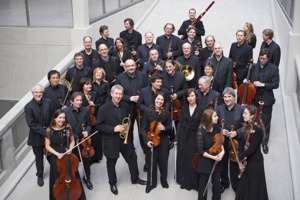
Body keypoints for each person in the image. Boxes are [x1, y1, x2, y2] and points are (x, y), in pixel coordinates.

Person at [96, 85, 147, 195]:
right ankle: (112, 183)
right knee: (111, 163)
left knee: (132, 157)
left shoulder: (125, 106)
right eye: (116, 94)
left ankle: (135, 178)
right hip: (111, 140)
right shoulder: (103, 109)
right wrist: (113, 129)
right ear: (111, 94)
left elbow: (128, 120)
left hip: (125, 138)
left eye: (120, 94)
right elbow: (99, 126)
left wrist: (126, 128)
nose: (118, 96)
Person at [45, 109, 86, 200]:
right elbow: (47, 146)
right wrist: (57, 154)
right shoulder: (49, 130)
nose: (62, 120)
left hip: (68, 154)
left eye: (63, 118)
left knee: (72, 174)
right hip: (56, 157)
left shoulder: (68, 127)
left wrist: (71, 148)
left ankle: (75, 195)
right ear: (55, 118)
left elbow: (72, 141)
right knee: (57, 178)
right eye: (60, 118)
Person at [247, 48, 279, 154]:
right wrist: (247, 81)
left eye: (264, 59)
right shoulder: (254, 66)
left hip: (266, 98)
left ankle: (264, 142)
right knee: (252, 119)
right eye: (260, 58)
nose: (261, 60)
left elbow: (276, 84)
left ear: (268, 58)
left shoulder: (274, 69)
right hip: (254, 97)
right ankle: (251, 139)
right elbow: (250, 79)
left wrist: (263, 84)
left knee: (265, 121)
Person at [140, 92, 172, 193]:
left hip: (163, 140)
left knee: (163, 162)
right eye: (158, 99)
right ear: (154, 99)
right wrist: (146, 141)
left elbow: (170, 128)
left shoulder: (166, 112)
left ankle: (164, 181)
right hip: (151, 140)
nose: (159, 101)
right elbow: (143, 129)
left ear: (164, 102)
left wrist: (164, 128)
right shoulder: (147, 111)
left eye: (162, 100)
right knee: (151, 162)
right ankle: (151, 183)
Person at [115, 59, 149, 155]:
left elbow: (148, 89)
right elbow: (117, 93)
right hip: (127, 108)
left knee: (142, 130)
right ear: (125, 67)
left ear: (135, 66)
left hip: (141, 108)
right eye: (128, 66)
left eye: (132, 65)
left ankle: (146, 153)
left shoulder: (142, 75)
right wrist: (130, 98)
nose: (130, 67)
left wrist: (141, 97)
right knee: (128, 131)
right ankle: (130, 151)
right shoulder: (120, 78)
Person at [235, 105, 269, 200]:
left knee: (253, 187)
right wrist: (239, 160)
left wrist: (239, 157)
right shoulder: (246, 126)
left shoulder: (258, 130)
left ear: (252, 116)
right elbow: (242, 143)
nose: (243, 115)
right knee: (244, 186)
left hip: (255, 163)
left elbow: (251, 149)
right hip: (246, 160)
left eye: (245, 113)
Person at [216, 87, 245, 193]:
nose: (227, 99)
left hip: (236, 142)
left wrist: (236, 132)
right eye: (225, 97)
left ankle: (236, 185)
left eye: (229, 96)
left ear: (234, 97)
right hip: (223, 141)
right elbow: (214, 124)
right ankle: (224, 183)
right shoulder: (219, 109)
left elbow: (247, 126)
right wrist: (220, 130)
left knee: (234, 164)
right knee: (222, 163)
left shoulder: (241, 109)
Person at [174, 88, 204, 190]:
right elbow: (181, 123)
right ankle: (183, 179)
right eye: (188, 96)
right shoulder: (184, 108)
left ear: (196, 96)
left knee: (192, 157)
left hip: (195, 136)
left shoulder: (201, 109)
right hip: (183, 135)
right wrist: (176, 137)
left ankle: (193, 182)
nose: (190, 98)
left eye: (192, 96)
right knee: (183, 156)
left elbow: (202, 125)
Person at [24, 84, 53, 187]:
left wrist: (50, 129)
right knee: (39, 157)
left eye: (40, 92)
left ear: (42, 93)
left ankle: (56, 170)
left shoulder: (48, 102)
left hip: (49, 132)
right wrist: (45, 132)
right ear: (33, 93)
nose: (38, 94)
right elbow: (31, 124)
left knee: (52, 153)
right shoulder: (28, 107)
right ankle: (40, 175)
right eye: (36, 92)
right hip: (36, 136)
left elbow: (53, 116)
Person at [64, 92, 94, 190]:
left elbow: (89, 124)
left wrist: (87, 132)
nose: (79, 102)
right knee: (73, 161)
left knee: (85, 160)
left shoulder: (85, 110)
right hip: (71, 141)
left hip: (83, 140)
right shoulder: (65, 112)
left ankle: (87, 178)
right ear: (72, 101)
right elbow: (63, 125)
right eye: (77, 100)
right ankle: (75, 179)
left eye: (80, 100)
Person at [196, 109, 225, 200]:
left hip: (217, 159)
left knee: (217, 185)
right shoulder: (200, 132)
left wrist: (223, 152)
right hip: (205, 161)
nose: (217, 118)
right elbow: (200, 151)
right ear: (209, 118)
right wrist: (213, 157)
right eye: (215, 116)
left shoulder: (216, 128)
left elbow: (220, 142)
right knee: (203, 187)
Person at [91, 67, 111, 163]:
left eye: (100, 73)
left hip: (105, 107)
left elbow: (108, 96)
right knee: (98, 128)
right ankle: (99, 151)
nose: (99, 75)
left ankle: (107, 147)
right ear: (94, 74)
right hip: (95, 108)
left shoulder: (106, 84)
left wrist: (104, 106)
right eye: (97, 73)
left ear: (103, 75)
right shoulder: (91, 84)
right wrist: (96, 105)